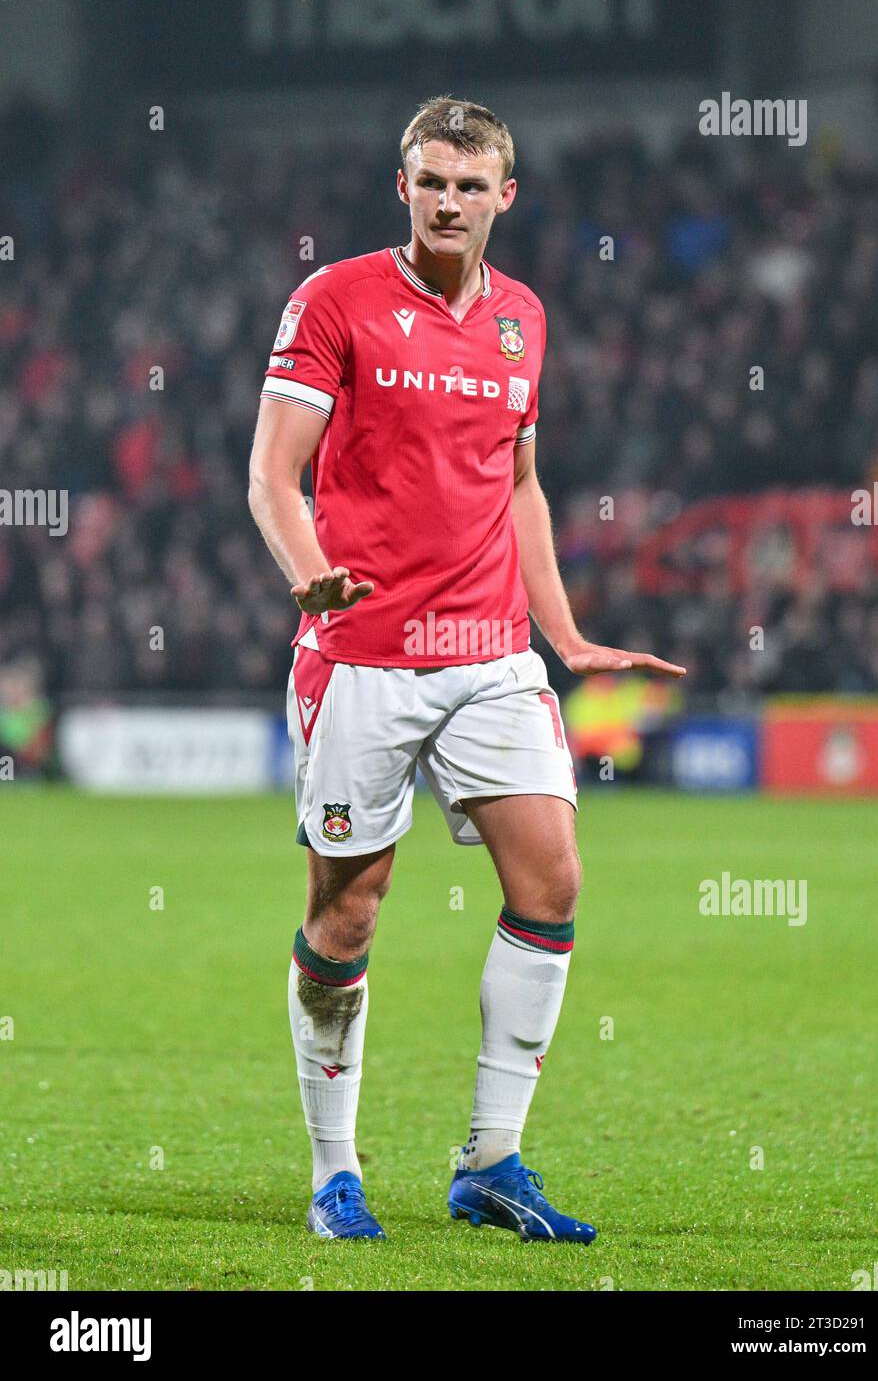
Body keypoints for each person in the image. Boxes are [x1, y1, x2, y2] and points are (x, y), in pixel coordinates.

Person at [248, 96, 685, 1242]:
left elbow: (522, 483)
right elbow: (271, 477)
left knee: (550, 884)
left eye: (469, 183)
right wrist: (310, 573)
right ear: (404, 187)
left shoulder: (523, 320)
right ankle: (333, 1172)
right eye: (430, 180)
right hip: (364, 657)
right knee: (346, 922)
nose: (448, 200)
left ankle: (492, 1159)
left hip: (491, 654)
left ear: (505, 195)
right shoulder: (333, 300)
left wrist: (566, 629)